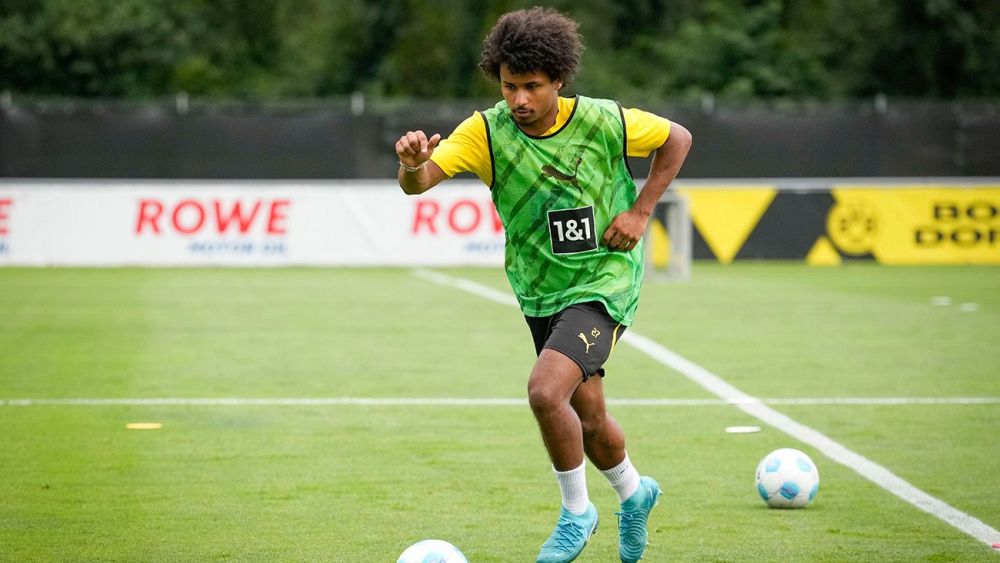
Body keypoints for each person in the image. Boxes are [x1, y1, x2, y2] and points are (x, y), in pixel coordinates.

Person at [395, 7, 691, 562]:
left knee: (543, 390)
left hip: (605, 282)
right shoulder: (486, 132)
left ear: (559, 79)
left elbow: (678, 138)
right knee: (591, 418)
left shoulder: (605, 121)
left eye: (532, 87)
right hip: (539, 290)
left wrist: (641, 210)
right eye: (510, 86)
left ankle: (577, 513)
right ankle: (634, 492)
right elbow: (420, 184)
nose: (520, 101)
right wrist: (413, 165)